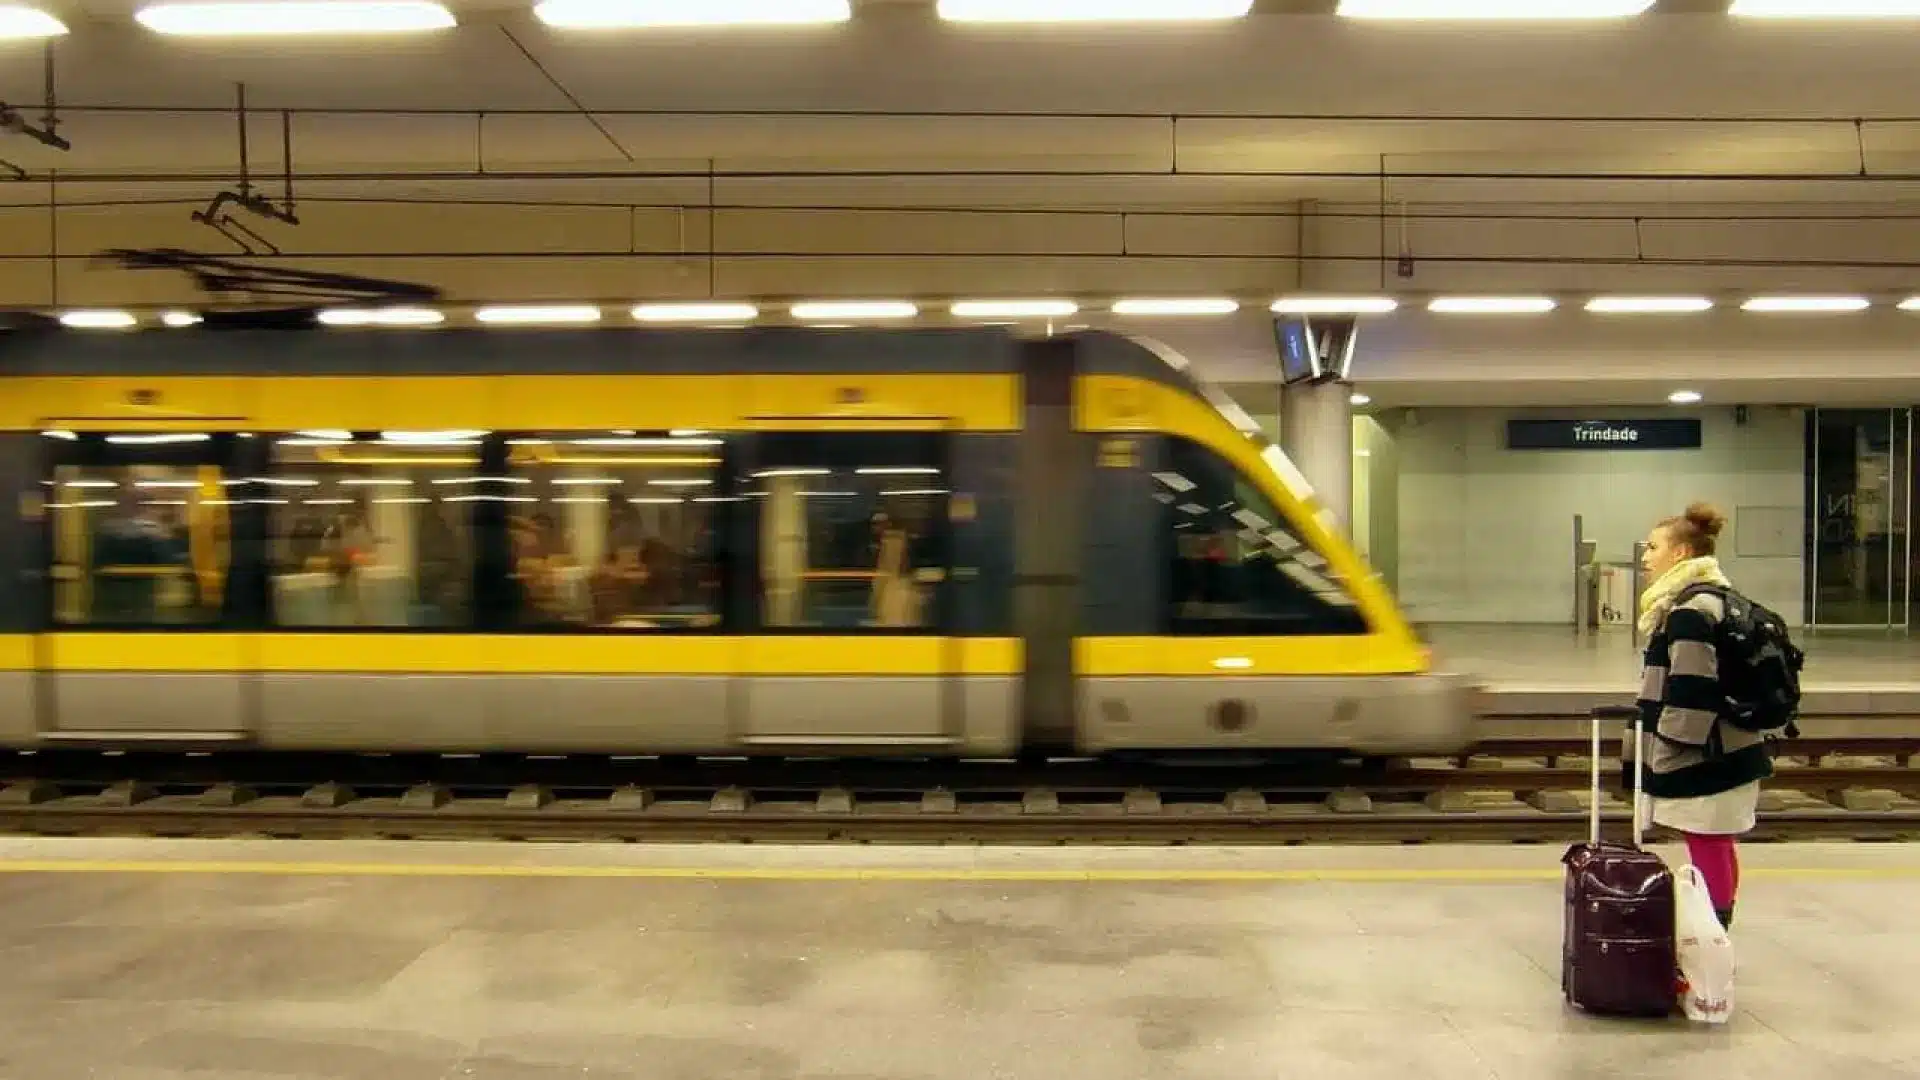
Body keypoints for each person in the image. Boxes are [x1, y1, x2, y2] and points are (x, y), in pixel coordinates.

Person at [1635, 502, 1773, 929]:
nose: (1645, 556)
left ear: (1680, 554)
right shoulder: (1719, 597)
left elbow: (1692, 690)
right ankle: (1716, 939)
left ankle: (1711, 941)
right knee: (1718, 843)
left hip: (1709, 753)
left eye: (1653, 547)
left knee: (1707, 842)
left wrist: (1669, 754)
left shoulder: (1689, 611)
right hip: (1735, 745)